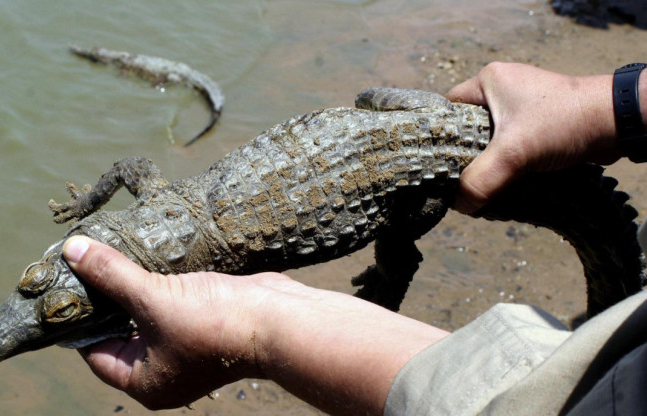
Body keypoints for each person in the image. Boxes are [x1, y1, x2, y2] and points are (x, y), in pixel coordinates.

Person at [61, 62, 647, 415]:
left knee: (397, 236)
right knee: (372, 106)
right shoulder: (155, 194)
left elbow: (512, 403)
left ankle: (394, 273)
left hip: (414, 168)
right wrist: (617, 102)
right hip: (414, 135)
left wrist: (254, 331)